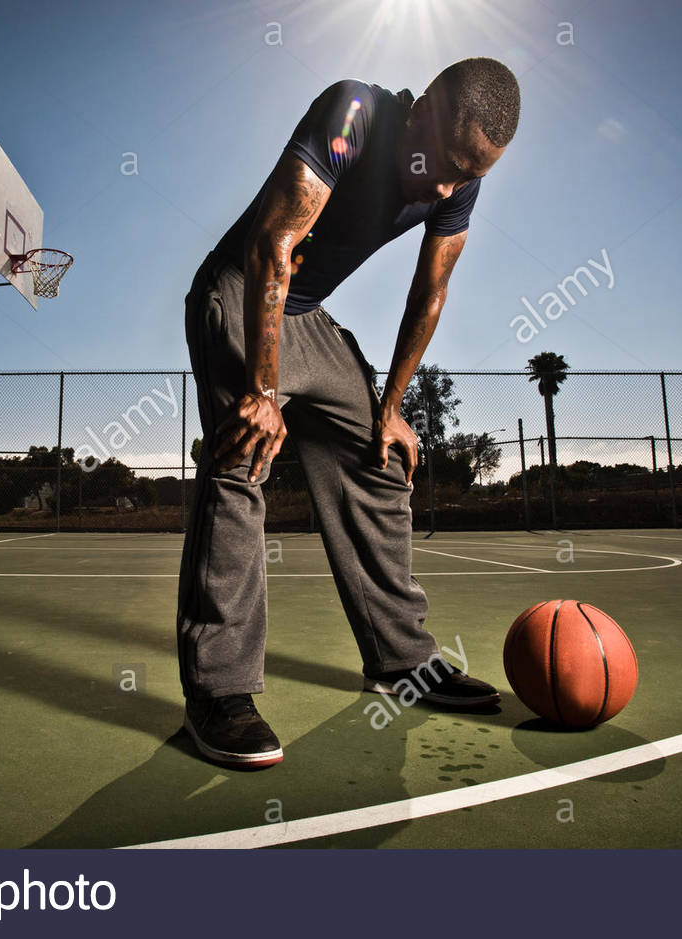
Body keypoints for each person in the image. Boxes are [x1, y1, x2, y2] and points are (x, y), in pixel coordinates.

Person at [176, 57, 520, 769]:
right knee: (244, 452)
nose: (453, 186)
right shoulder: (354, 114)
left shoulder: (460, 183)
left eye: (473, 175)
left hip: (308, 317)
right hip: (243, 289)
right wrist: (264, 396)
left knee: (382, 457)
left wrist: (390, 409)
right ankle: (219, 690)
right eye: (452, 164)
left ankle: (400, 660)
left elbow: (429, 293)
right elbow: (273, 243)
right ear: (423, 107)